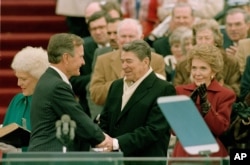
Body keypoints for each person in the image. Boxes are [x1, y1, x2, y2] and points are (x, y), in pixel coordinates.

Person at [28, 33, 112, 152]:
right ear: (66, 58)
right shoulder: (57, 86)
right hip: (50, 155)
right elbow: (78, 119)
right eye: (80, 57)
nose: (83, 62)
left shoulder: (50, 79)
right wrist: (104, 140)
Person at [98, 40, 176, 165]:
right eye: (122, 61)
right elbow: (105, 119)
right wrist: (104, 140)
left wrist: (116, 143)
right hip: (113, 161)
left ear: (145, 62)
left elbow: (154, 130)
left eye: (129, 61)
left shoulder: (164, 89)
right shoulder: (116, 86)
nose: (124, 66)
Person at [173, 44, 236, 157]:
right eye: (194, 68)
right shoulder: (180, 91)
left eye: (203, 68)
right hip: (184, 153)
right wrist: (186, 109)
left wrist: (206, 107)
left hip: (211, 153)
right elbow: (173, 131)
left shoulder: (225, 95)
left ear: (213, 71)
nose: (197, 73)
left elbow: (220, 129)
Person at [90, 18, 166, 107]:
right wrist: (120, 82)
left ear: (141, 38)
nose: (127, 40)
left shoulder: (156, 60)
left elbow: (161, 92)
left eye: (131, 36)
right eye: (123, 36)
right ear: (117, 38)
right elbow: (95, 96)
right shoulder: (103, 60)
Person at [0, 46, 49, 153]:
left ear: (39, 78)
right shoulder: (17, 100)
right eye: (17, 78)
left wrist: (19, 152)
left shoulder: (48, 104)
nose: (18, 83)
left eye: (23, 79)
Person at [174, 19, 241, 96]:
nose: (203, 42)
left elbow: (236, 92)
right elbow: (177, 92)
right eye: (200, 38)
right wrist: (192, 81)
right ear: (195, 41)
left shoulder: (230, 62)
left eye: (207, 38)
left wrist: (215, 84)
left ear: (216, 41)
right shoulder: (183, 64)